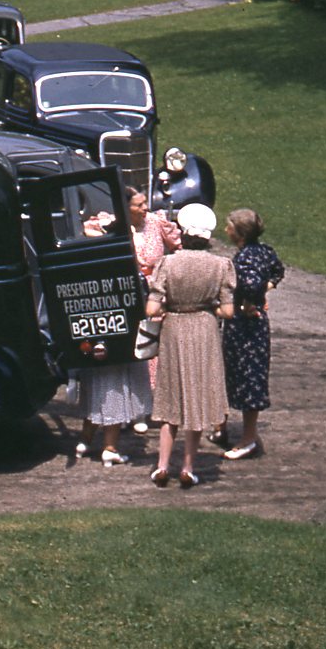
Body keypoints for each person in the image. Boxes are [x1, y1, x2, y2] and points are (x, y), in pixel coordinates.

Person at [145, 203, 235, 488]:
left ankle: (161, 466)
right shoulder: (221, 266)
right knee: (196, 398)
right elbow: (228, 312)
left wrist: (166, 308)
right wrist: (209, 311)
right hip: (204, 329)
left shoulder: (168, 264)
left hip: (175, 328)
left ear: (183, 233)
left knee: (171, 396)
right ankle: (187, 467)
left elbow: (151, 309)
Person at [73, 209, 151, 466]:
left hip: (94, 334)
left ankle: (84, 440)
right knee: (116, 389)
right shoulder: (127, 270)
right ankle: (110, 447)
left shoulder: (89, 268)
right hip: (120, 336)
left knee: (96, 388)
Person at [214, 208, 285, 461]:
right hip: (254, 326)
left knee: (246, 377)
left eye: (229, 226)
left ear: (239, 232)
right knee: (241, 375)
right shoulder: (265, 252)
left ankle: (248, 439)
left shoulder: (244, 258)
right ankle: (225, 430)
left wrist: (248, 301)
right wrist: (266, 290)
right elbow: (277, 271)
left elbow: (252, 283)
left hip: (246, 327)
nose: (225, 230)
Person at [126, 188, 180, 432]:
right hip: (128, 293)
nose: (145, 207)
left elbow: (180, 246)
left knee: (152, 347)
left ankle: (152, 407)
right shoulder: (116, 225)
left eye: (145, 202)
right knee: (131, 345)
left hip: (155, 292)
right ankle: (132, 409)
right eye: (139, 205)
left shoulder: (157, 222)